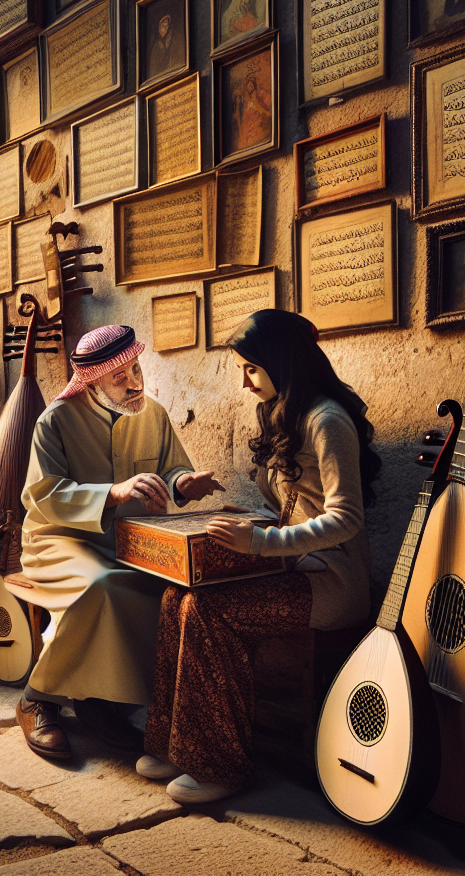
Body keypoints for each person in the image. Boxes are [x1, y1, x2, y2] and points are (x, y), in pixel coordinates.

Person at [137, 309, 380, 804]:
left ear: (280, 362)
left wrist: (262, 542)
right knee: (175, 596)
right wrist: (250, 516)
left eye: (251, 369)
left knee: (208, 609)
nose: (245, 383)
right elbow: (294, 508)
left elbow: (346, 518)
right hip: (291, 568)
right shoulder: (282, 411)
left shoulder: (327, 420)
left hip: (331, 584)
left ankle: (220, 767)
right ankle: (171, 744)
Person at [12, 325, 224, 760]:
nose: (134, 383)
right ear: (91, 381)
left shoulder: (153, 414)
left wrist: (184, 483)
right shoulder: (55, 421)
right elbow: (44, 496)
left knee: (168, 596)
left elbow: (169, 473)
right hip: (57, 540)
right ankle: (38, 698)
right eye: (119, 377)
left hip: (130, 542)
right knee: (101, 587)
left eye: (135, 369)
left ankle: (102, 705)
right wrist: (113, 492)